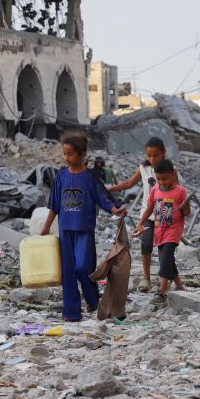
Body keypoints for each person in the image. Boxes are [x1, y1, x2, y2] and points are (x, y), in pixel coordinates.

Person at [41, 135, 126, 322]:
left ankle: (94, 301)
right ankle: (71, 312)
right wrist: (46, 226)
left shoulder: (89, 178)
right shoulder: (61, 176)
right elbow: (54, 205)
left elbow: (103, 199)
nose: (66, 158)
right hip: (65, 231)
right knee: (68, 272)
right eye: (64, 154)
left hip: (84, 230)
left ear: (82, 154)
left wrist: (116, 210)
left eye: (70, 154)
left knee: (82, 268)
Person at [108, 137, 167, 292]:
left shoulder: (169, 169)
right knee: (146, 245)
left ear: (163, 154)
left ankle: (163, 280)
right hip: (146, 215)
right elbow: (128, 183)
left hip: (164, 217)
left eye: (156, 155)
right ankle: (146, 278)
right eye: (149, 155)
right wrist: (109, 189)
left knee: (163, 249)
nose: (152, 159)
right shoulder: (144, 168)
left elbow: (177, 190)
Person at [135, 159, 189, 305]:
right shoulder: (155, 190)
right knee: (168, 259)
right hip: (160, 230)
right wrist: (140, 223)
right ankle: (179, 285)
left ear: (173, 175)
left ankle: (162, 291)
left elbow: (187, 212)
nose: (162, 181)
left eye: (165, 178)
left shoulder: (180, 191)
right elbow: (149, 208)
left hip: (173, 230)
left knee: (165, 258)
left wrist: (185, 206)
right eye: (159, 179)